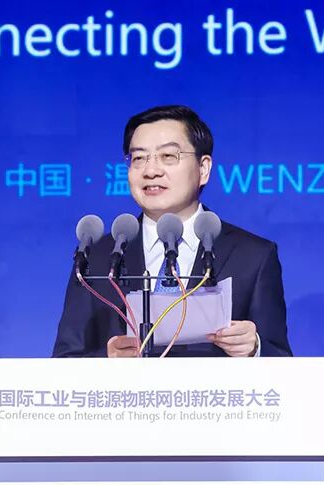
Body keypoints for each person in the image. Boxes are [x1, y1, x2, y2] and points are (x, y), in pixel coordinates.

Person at [52, 105, 291, 358]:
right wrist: (107, 361)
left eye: (168, 156)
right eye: (139, 158)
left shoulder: (253, 256)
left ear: (203, 169)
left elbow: (281, 360)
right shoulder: (98, 257)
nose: (151, 171)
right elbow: (65, 359)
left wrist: (254, 348)